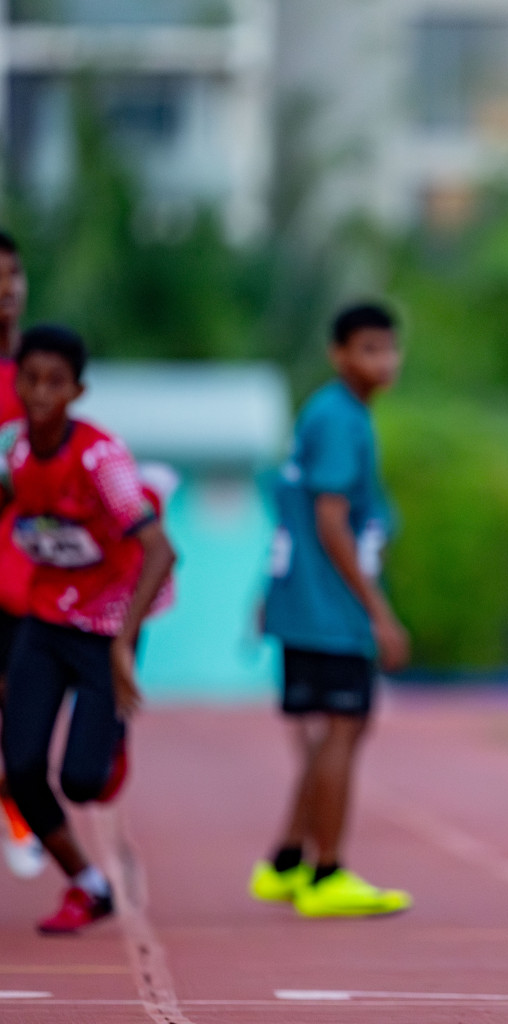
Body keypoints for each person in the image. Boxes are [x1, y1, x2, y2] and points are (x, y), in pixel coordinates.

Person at [0, 325, 177, 934]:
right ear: (17, 383)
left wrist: (126, 643)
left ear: (78, 390)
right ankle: (87, 884)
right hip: (46, 618)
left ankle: (112, 740)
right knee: (19, 769)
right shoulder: (15, 453)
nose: (42, 394)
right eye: (32, 380)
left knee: (83, 781)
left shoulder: (102, 460)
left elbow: (160, 551)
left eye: (57, 383)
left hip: (105, 627)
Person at [248, 302, 412, 919]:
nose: (384, 361)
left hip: (307, 602)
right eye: (369, 349)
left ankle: (286, 861)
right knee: (341, 730)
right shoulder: (342, 418)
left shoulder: (327, 412)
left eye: (390, 348)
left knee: (328, 735)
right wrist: (378, 611)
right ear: (339, 354)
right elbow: (329, 519)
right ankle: (327, 872)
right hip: (330, 609)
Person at [0, 230, 47, 881]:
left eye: (14, 274)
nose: (6, 288)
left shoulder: (39, 373)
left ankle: (16, 800)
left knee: (22, 701)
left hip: (26, 574)